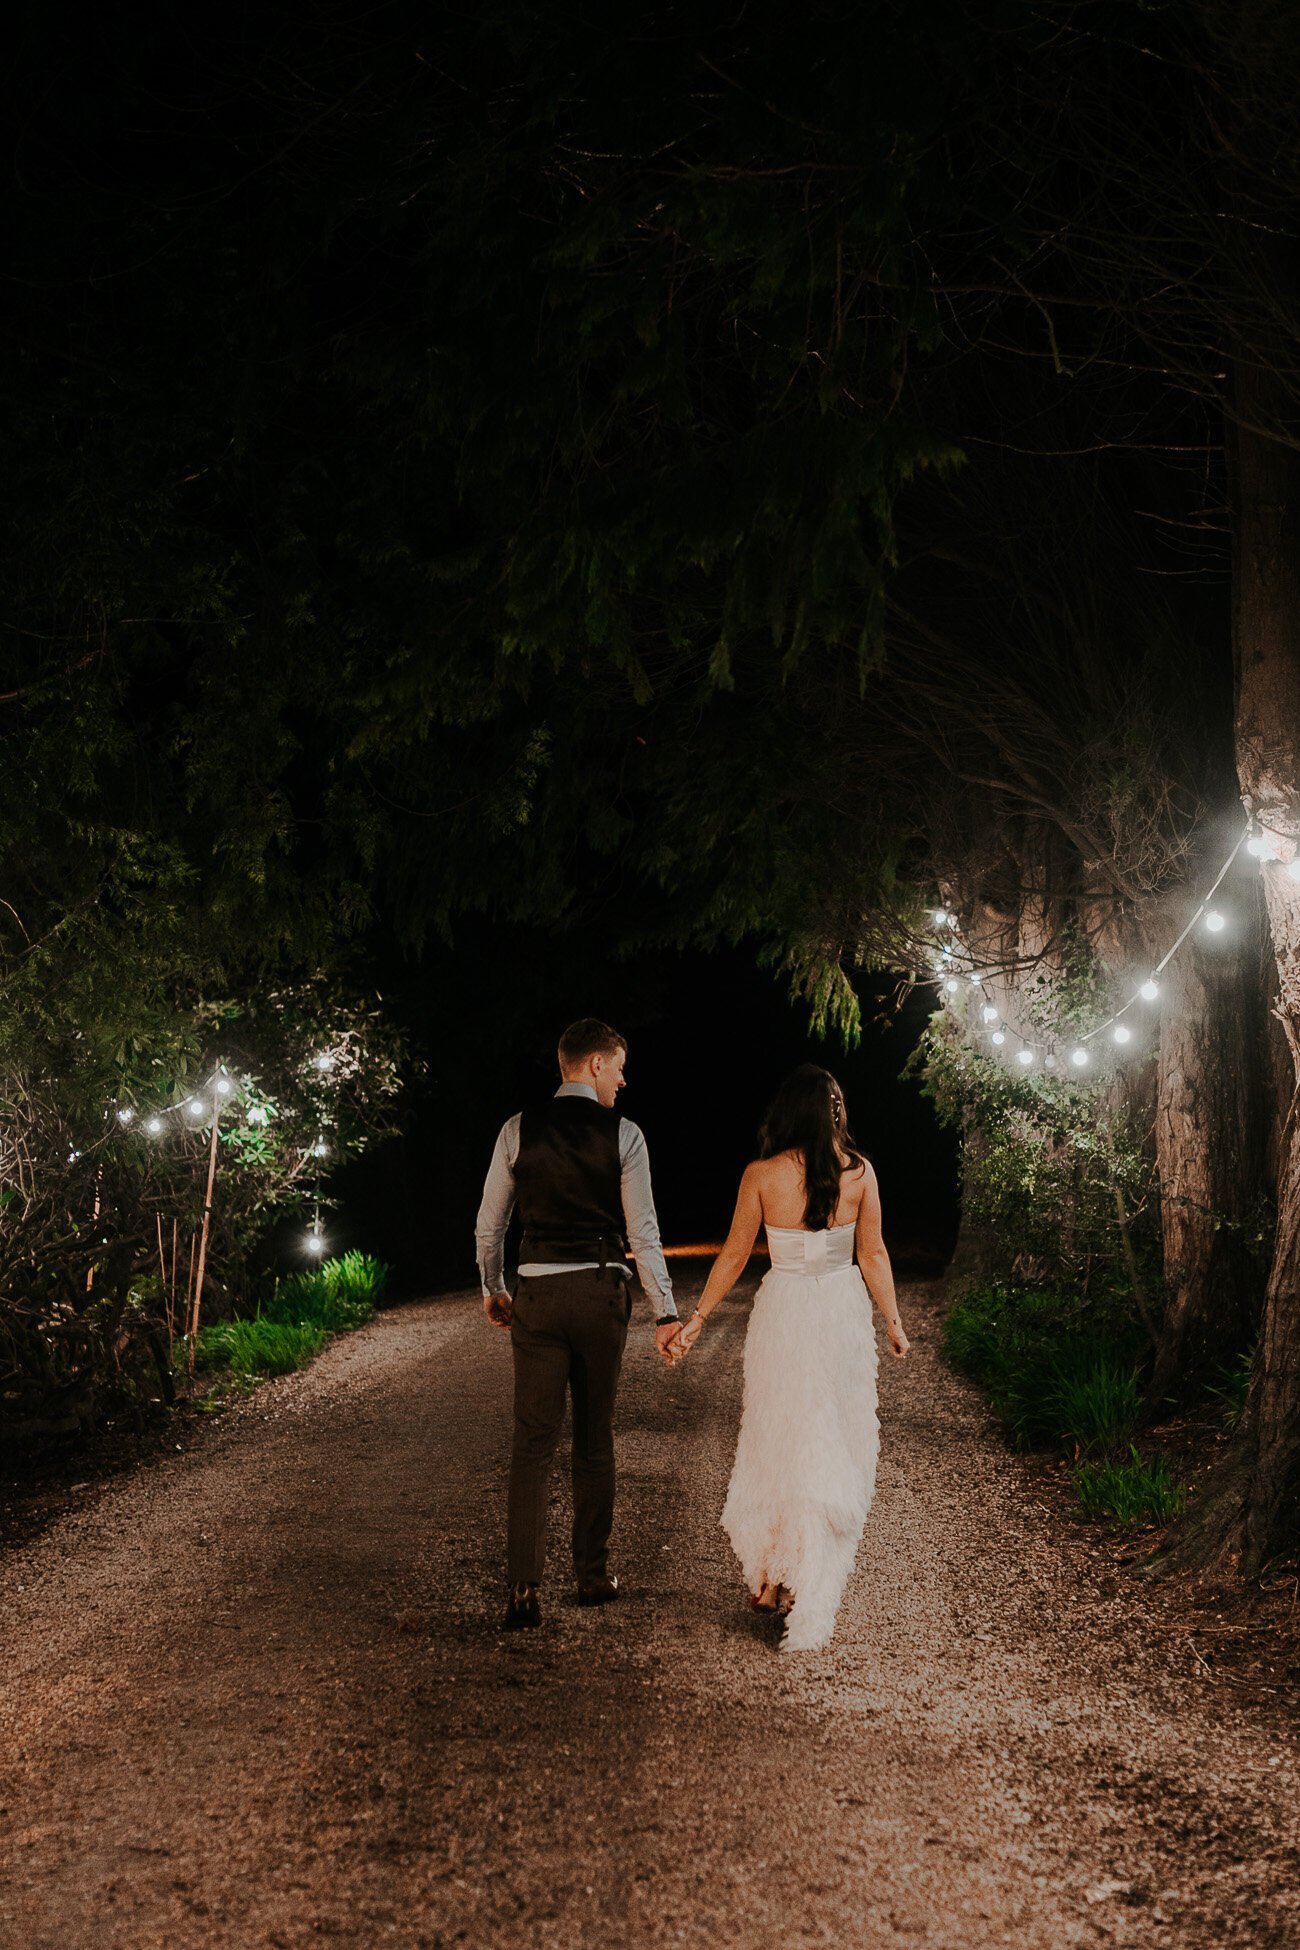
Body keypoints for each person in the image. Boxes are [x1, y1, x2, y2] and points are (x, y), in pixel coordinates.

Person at [675, 1064, 908, 1652]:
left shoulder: (761, 1174)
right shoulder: (859, 1173)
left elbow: (734, 1253)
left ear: (787, 1112)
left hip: (784, 1313)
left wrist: (697, 1318)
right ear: (833, 1111)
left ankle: (779, 1576)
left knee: (781, 1438)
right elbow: (873, 1253)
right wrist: (894, 1324)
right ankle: (798, 1571)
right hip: (840, 1313)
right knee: (829, 1439)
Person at [477, 1018, 681, 1630]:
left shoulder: (517, 1129)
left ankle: (523, 1588)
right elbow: (643, 1234)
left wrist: (494, 1287)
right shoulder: (626, 1135)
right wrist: (664, 1309)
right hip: (598, 1294)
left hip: (536, 1295)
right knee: (594, 1439)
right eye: (618, 1065)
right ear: (593, 1064)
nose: (624, 1077)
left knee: (531, 1443)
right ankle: (591, 1577)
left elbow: (490, 1225)